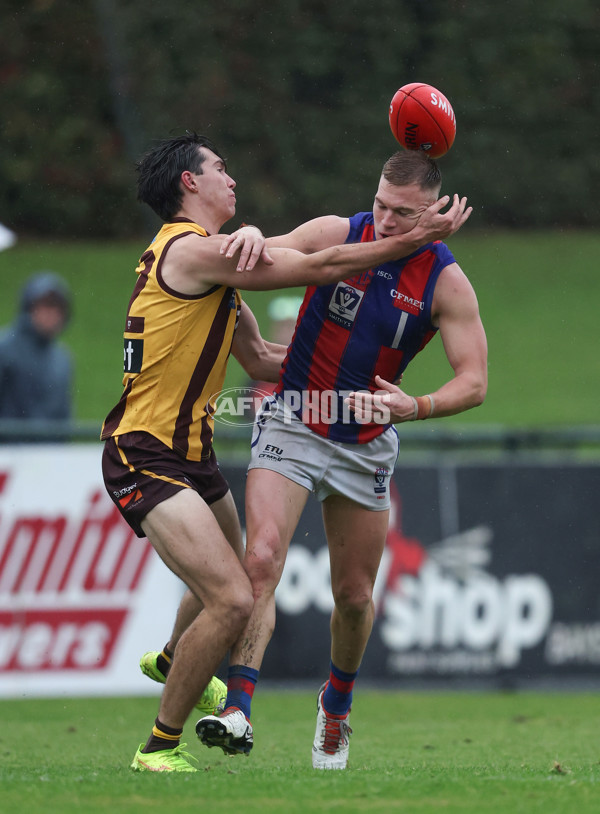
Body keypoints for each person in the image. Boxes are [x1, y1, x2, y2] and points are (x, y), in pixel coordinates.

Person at [101, 131, 471, 773]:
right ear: (190, 183)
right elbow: (318, 265)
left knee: (276, 582)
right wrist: (410, 239)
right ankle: (162, 745)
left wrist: (383, 394)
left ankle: (173, 657)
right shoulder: (195, 252)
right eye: (220, 168)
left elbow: (262, 357)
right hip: (149, 450)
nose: (232, 178)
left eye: (401, 212)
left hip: (198, 452)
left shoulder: (212, 260)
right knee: (240, 590)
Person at [195, 148, 487, 770]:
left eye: (403, 214)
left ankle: (337, 705)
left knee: (353, 596)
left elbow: (475, 381)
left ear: (432, 212)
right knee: (262, 557)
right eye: (380, 203)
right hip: (293, 417)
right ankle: (239, 707)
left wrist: (417, 405)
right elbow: (261, 253)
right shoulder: (338, 234)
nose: (384, 220)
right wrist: (248, 234)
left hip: (366, 443)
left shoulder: (446, 280)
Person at [0, 271, 73, 437]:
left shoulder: (63, 358)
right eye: (44, 305)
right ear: (28, 308)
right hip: (7, 456)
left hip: (48, 456)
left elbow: (64, 417)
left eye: (56, 307)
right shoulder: (4, 349)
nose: (51, 314)